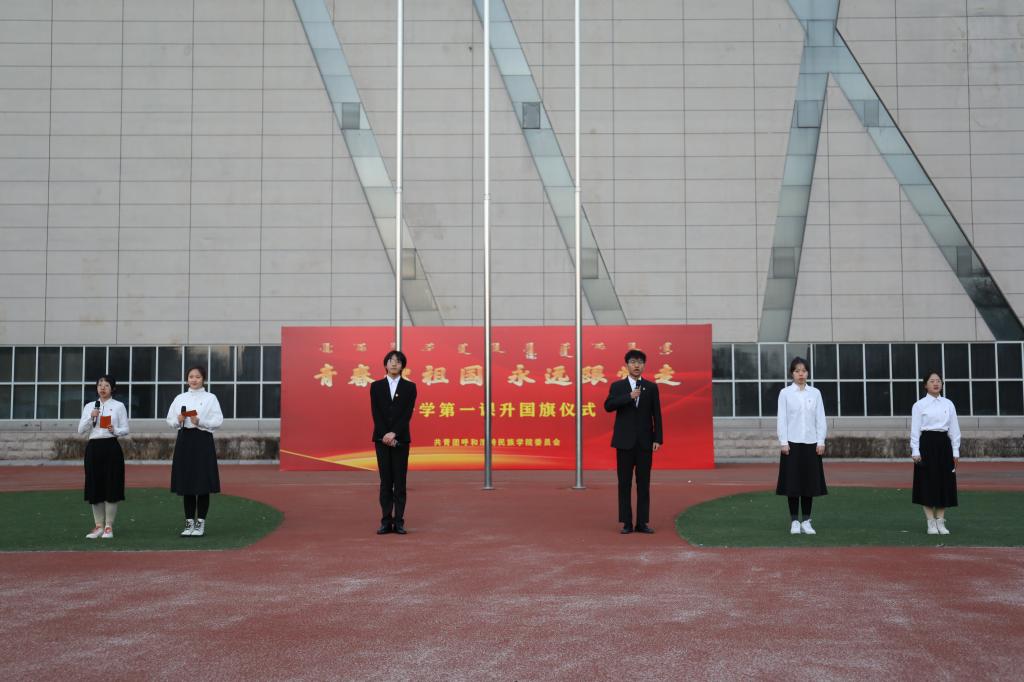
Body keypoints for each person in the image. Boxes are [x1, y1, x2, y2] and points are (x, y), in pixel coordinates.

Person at [604, 349, 663, 534]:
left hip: (645, 442)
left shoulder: (651, 387)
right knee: (624, 483)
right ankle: (627, 523)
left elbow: (657, 414)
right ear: (627, 365)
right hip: (624, 442)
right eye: (633, 362)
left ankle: (642, 523)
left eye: (640, 362)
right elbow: (608, 406)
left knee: (643, 484)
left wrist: (658, 438)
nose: (636, 365)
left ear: (644, 365)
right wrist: (628, 397)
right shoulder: (617, 386)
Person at [166, 366, 223, 537]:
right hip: (184, 440)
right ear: (187, 379)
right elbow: (169, 420)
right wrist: (178, 420)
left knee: (203, 483)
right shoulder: (180, 398)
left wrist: (200, 421)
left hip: (203, 440)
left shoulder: (210, 398)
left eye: (197, 376)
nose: (194, 379)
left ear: (203, 379)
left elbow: (218, 420)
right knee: (187, 483)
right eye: (191, 376)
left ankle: (200, 523)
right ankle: (189, 522)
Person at [776, 356, 827, 535]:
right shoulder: (785, 393)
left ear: (808, 373)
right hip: (791, 444)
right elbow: (782, 419)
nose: (801, 374)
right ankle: (794, 522)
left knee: (808, 484)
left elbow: (820, 418)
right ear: (792, 373)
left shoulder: (815, 393)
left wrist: (821, 441)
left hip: (811, 444)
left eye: (804, 371)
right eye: (797, 371)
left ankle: (806, 520)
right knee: (792, 484)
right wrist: (783, 441)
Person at [369, 350, 418, 535]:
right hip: (381, 439)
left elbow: (407, 414)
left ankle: (399, 522)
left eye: (398, 361)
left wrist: (394, 433)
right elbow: (376, 413)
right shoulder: (376, 386)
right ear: (385, 365)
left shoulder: (410, 387)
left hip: (400, 440)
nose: (394, 364)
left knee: (400, 482)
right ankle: (385, 521)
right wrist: (385, 435)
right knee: (385, 482)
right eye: (391, 361)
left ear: (402, 365)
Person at [78, 375, 129, 539]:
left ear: (112, 388)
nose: (102, 388)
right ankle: (98, 526)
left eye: (106, 385)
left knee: (111, 485)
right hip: (93, 448)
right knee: (95, 486)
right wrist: (91, 416)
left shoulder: (119, 406)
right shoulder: (89, 406)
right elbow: (81, 430)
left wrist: (115, 430)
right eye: (100, 385)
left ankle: (108, 526)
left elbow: (126, 429)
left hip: (111, 447)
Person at [910, 370, 961, 535]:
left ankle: (940, 522)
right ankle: (930, 523)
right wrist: (915, 450)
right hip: (926, 445)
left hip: (944, 445)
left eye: (938, 380)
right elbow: (915, 430)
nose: (936, 383)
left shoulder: (948, 404)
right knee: (926, 482)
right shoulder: (919, 405)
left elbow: (954, 429)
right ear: (925, 385)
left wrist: (955, 451)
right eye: (932, 381)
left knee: (944, 482)